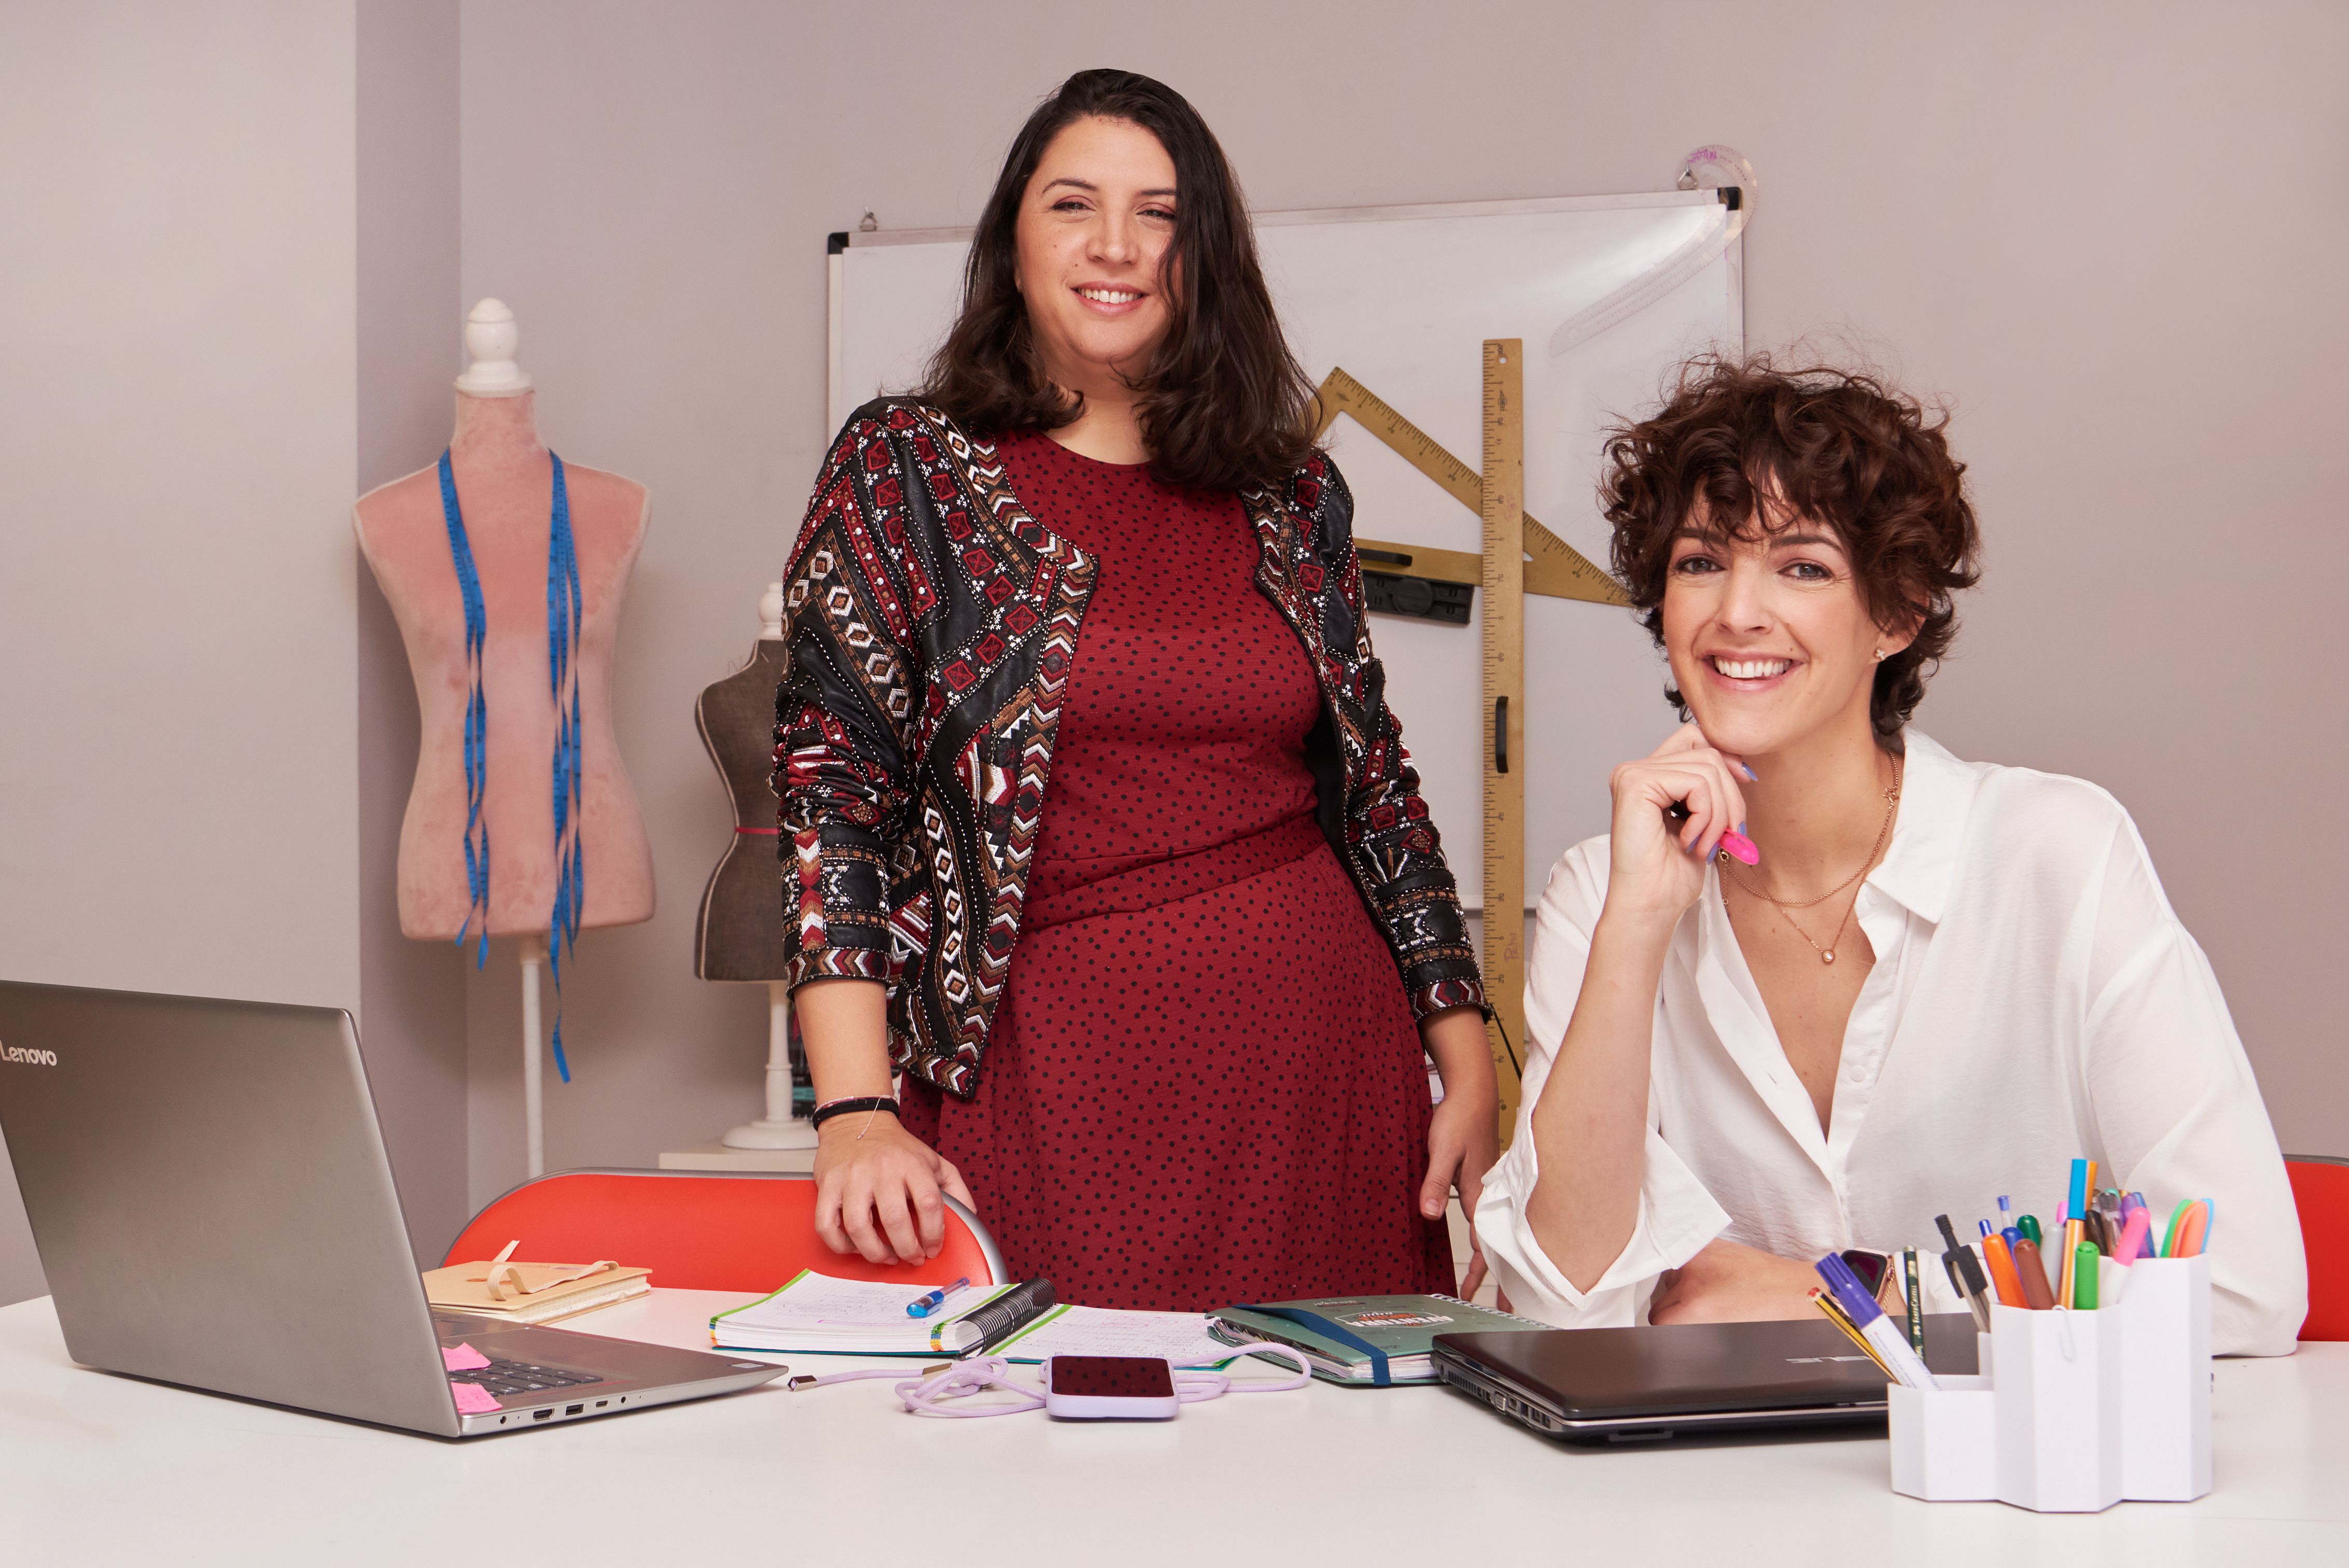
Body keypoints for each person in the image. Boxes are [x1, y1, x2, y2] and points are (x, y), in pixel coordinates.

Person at [774, 69, 1492, 1311]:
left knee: (1333, 1429)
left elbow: (1377, 786)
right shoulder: (905, 469)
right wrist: (852, 1110)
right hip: (1049, 1076)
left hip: (1322, 1073)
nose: (1116, 246)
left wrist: (1465, 1055)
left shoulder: (1293, 495)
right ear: (1013, 241)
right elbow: (831, 795)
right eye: (1073, 205)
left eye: (1159, 214)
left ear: (1203, 254)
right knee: (1054, 1418)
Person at [1473, 355, 2306, 1355]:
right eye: (1700, 562)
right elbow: (1562, 1304)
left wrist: (1839, 1297)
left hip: (2014, 1452)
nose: (1736, 611)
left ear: (1898, 615)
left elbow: (2245, 1286)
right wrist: (1638, 924)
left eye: (1802, 567)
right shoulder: (1603, 890)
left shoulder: (2056, 854)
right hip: (1716, 1458)